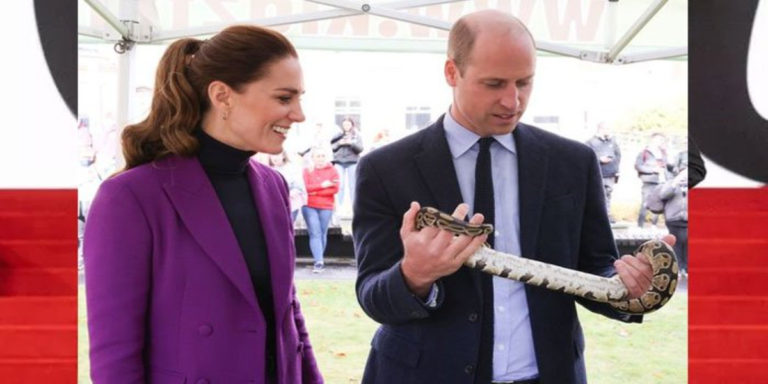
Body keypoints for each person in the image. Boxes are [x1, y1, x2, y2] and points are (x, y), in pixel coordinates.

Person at [353, 10, 672, 384]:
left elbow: (596, 267)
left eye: (524, 82)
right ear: (451, 73)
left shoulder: (573, 162)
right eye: (494, 84)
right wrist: (414, 276)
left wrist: (629, 287)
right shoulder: (386, 169)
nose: (512, 101)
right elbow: (373, 294)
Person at [83, 25, 323, 384]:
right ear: (223, 96)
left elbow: (287, 313)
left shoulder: (273, 185)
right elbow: (115, 355)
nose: (299, 114)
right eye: (284, 98)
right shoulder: (130, 197)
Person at [302, 146, 340, 273]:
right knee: (315, 233)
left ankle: (319, 258)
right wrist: (322, 186)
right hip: (309, 205)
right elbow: (305, 188)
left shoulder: (333, 170)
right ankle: (319, 262)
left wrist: (315, 191)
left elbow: (335, 189)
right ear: (312, 158)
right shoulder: (307, 171)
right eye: (318, 156)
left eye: (323, 156)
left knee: (323, 233)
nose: (321, 159)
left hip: (326, 205)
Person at [584, 121, 621, 222]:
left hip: (610, 174)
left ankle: (607, 215)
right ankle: (598, 216)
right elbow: (586, 156)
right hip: (598, 173)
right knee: (598, 195)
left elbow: (618, 156)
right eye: (607, 129)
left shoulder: (612, 142)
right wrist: (599, 159)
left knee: (608, 195)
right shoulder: (590, 142)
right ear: (601, 129)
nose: (608, 131)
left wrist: (617, 170)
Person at [634, 132, 672, 227]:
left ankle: (654, 225)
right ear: (653, 140)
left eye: (662, 140)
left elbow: (669, 166)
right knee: (646, 202)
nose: (660, 142)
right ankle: (640, 225)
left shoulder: (664, 153)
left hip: (662, 181)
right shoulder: (644, 153)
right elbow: (638, 166)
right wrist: (653, 170)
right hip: (649, 181)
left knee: (658, 203)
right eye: (659, 140)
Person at [659, 159, 688, 278]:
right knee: (676, 243)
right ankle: (678, 268)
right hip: (673, 219)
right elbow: (663, 195)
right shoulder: (671, 183)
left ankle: (685, 268)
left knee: (687, 243)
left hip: (688, 220)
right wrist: (675, 183)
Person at [331, 117, 363, 211]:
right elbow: (332, 148)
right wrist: (339, 143)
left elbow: (360, 149)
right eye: (344, 124)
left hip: (352, 162)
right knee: (339, 185)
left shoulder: (357, 135)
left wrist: (351, 143)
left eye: (348, 124)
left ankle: (355, 208)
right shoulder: (337, 135)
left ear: (352, 125)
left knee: (353, 185)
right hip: (339, 161)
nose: (346, 126)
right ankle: (338, 207)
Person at [269, 150, 307, 224]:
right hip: (275, 205)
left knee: (287, 226)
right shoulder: (269, 169)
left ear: (283, 156)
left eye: (277, 155)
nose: (275, 158)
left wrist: (287, 193)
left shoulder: (291, 168)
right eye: (272, 155)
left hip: (291, 204)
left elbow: (299, 186)